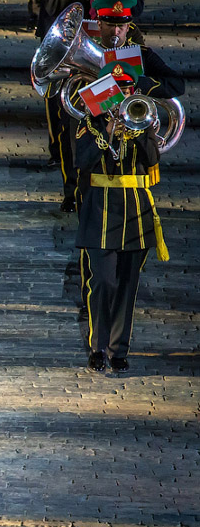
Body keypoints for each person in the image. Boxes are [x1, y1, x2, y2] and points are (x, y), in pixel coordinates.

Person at [74, 62, 168, 374]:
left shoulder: (144, 119)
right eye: (117, 90)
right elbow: (83, 162)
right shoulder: (89, 122)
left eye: (128, 89)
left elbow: (153, 159)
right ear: (105, 93)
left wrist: (140, 129)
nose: (123, 95)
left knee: (128, 285)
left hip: (136, 214)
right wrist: (107, 130)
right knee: (102, 281)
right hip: (101, 212)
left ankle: (118, 350)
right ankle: (98, 347)